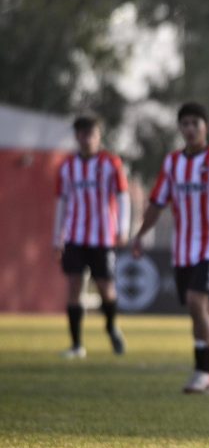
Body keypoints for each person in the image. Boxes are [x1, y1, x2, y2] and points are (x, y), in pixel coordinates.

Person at [131, 102, 209, 394]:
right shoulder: (172, 163)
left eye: (194, 123)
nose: (189, 129)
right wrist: (140, 235)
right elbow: (156, 204)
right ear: (180, 128)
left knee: (196, 302)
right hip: (183, 249)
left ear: (205, 127)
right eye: (184, 124)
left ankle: (202, 372)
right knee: (200, 310)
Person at [53, 114, 130, 358]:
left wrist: (123, 228)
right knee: (74, 286)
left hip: (103, 238)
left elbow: (123, 196)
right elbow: (61, 202)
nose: (87, 139)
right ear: (77, 136)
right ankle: (77, 345)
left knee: (106, 287)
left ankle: (111, 326)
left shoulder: (111, 163)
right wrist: (57, 238)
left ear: (99, 136)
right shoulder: (67, 166)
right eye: (82, 134)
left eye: (91, 134)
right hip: (74, 236)